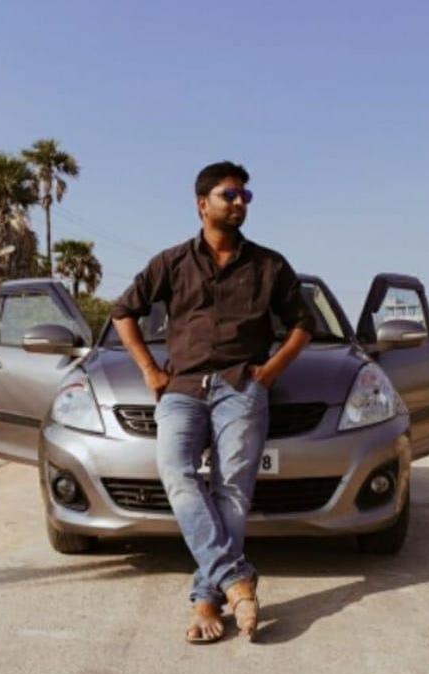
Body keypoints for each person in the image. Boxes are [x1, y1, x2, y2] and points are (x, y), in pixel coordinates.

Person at [110, 161, 315, 643]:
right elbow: (123, 312)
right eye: (230, 194)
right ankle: (237, 580)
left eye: (246, 195)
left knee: (232, 490)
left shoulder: (269, 266)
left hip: (241, 386)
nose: (240, 202)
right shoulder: (171, 262)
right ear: (203, 204)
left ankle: (207, 598)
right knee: (176, 473)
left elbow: (304, 324)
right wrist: (149, 369)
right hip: (182, 388)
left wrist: (270, 372)